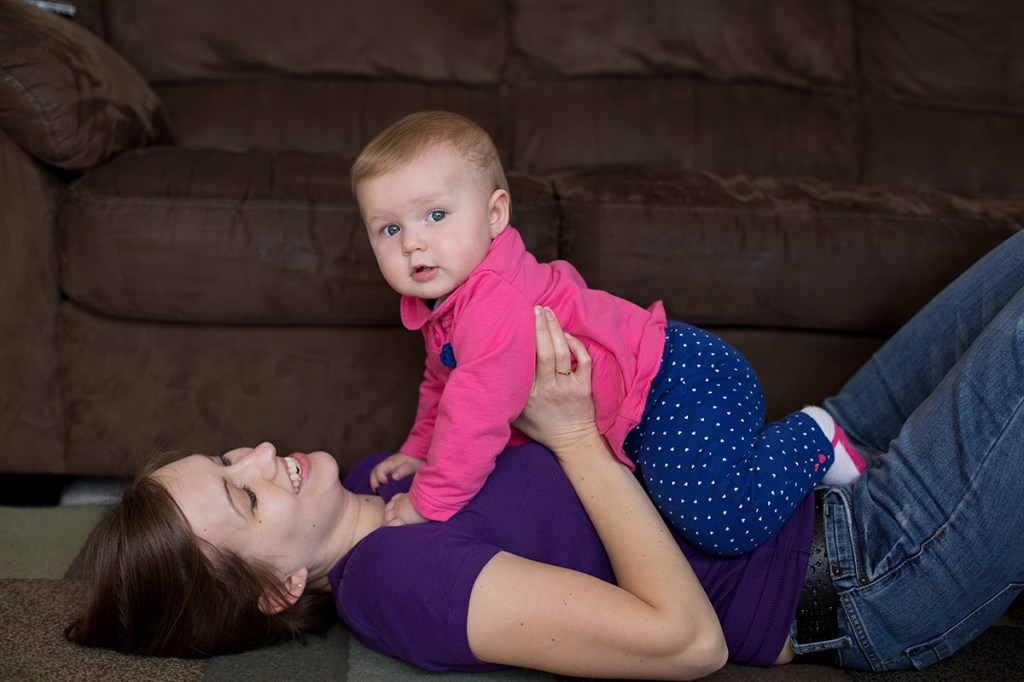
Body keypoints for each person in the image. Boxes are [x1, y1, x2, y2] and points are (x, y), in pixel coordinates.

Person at [67, 228, 1024, 674]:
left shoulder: (378, 486)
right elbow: (684, 642)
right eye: (243, 499)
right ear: (276, 592)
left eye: (228, 456)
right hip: (869, 565)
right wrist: (570, 437)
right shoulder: (398, 585)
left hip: (812, 459)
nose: (260, 454)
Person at [351, 110, 864, 554]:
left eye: (435, 215)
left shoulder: (491, 301)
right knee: (660, 509)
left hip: (675, 382)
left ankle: (812, 436)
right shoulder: (445, 303)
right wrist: (419, 450)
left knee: (718, 522)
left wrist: (429, 501)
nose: (413, 244)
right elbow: (441, 382)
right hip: (651, 398)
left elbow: (474, 413)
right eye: (390, 229)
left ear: (494, 215)